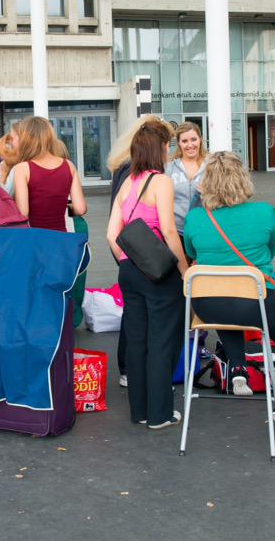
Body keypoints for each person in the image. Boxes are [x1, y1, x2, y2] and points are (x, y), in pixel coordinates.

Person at [183, 151, 275, 445]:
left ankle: (237, 364)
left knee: (226, 303)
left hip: (208, 305)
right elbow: (270, 249)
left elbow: (191, 254)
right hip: (256, 301)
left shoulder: (195, 218)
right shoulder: (264, 213)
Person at [106, 118, 188, 430]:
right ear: (160, 149)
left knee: (138, 341)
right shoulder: (161, 181)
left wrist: (130, 261)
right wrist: (184, 271)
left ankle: (139, 411)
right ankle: (160, 414)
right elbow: (168, 229)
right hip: (158, 274)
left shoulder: (128, 182)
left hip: (129, 271)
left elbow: (112, 235)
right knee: (162, 341)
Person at [105, 115, 165, 388]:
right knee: (143, 316)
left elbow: (114, 221)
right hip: (141, 250)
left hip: (128, 249)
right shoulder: (137, 171)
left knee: (134, 312)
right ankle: (135, 370)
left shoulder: (123, 167)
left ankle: (132, 371)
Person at [12, 116, 87, 232]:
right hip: (62, 237)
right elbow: (81, 209)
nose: (13, 141)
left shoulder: (22, 168)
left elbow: (23, 212)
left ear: (25, 138)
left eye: (15, 137)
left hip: (37, 240)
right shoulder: (69, 165)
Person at [165, 122, 207, 239]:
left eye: (193, 139)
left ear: (200, 139)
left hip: (204, 229)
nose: (190, 145)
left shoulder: (211, 167)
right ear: (179, 143)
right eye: (184, 141)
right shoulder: (169, 168)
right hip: (176, 231)